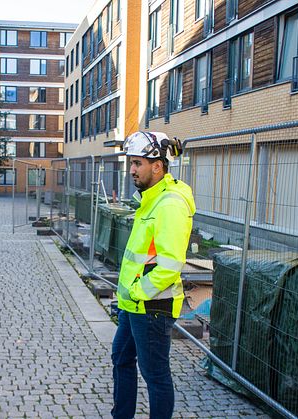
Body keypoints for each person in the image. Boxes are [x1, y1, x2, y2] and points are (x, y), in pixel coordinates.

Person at [112, 131, 196, 419]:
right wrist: (127, 296)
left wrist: (137, 291)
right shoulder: (152, 199)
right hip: (133, 305)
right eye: (131, 163)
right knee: (122, 358)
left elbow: (171, 265)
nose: (132, 170)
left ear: (157, 166)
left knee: (155, 376)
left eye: (137, 163)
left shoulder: (169, 204)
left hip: (150, 306)